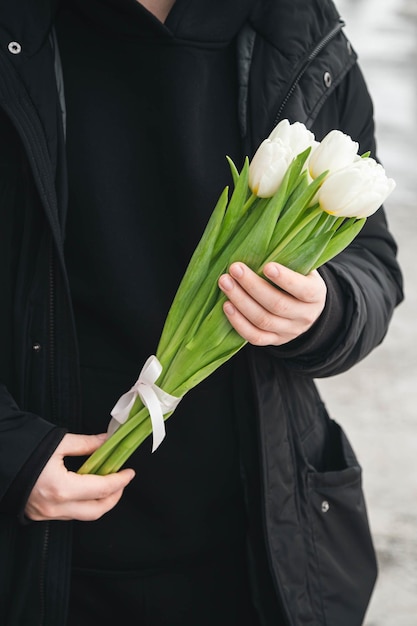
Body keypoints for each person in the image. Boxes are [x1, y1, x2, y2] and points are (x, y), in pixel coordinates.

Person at [0, 0, 403, 624]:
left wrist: (323, 309)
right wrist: (9, 451)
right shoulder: (17, 33)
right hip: (48, 550)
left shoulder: (299, 28)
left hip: (263, 549)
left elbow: (373, 262)